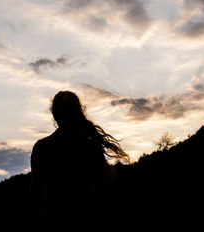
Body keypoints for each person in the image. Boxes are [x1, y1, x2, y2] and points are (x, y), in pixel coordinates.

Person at [29, 91, 129, 231]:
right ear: (79, 112)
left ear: (54, 115)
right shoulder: (90, 145)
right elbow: (102, 189)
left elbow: (35, 194)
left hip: (53, 221)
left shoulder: (42, 147)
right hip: (87, 220)